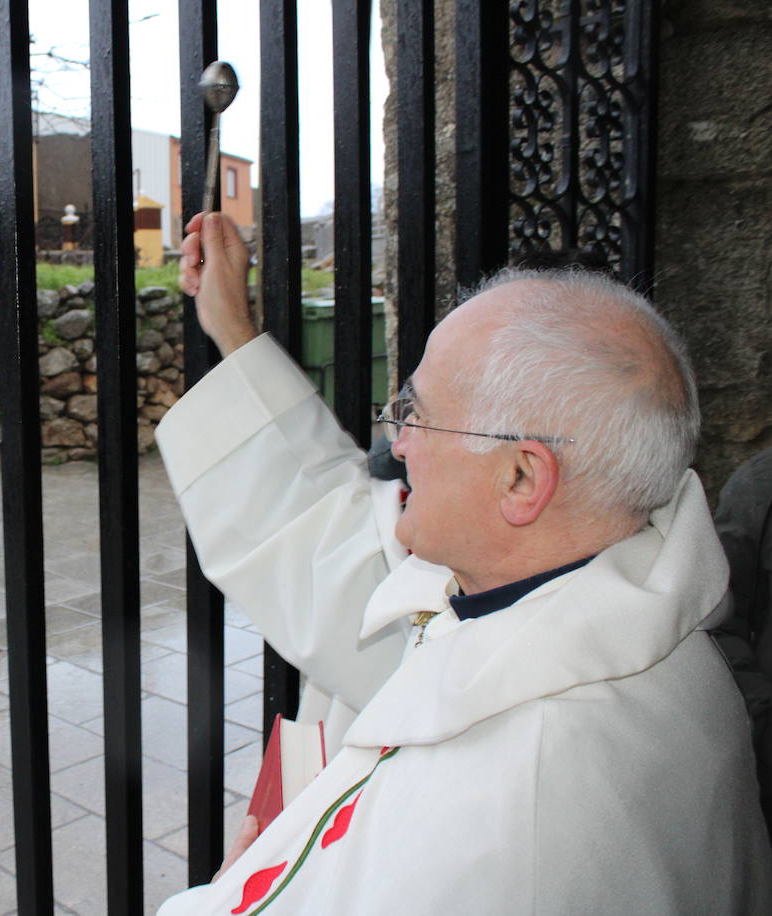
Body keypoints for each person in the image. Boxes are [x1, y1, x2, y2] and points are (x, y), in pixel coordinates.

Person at [154, 212, 772, 914]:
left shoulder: (514, 807)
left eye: (416, 412)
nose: (397, 440)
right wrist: (233, 328)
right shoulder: (593, 580)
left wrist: (236, 895)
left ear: (521, 479)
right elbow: (329, 533)